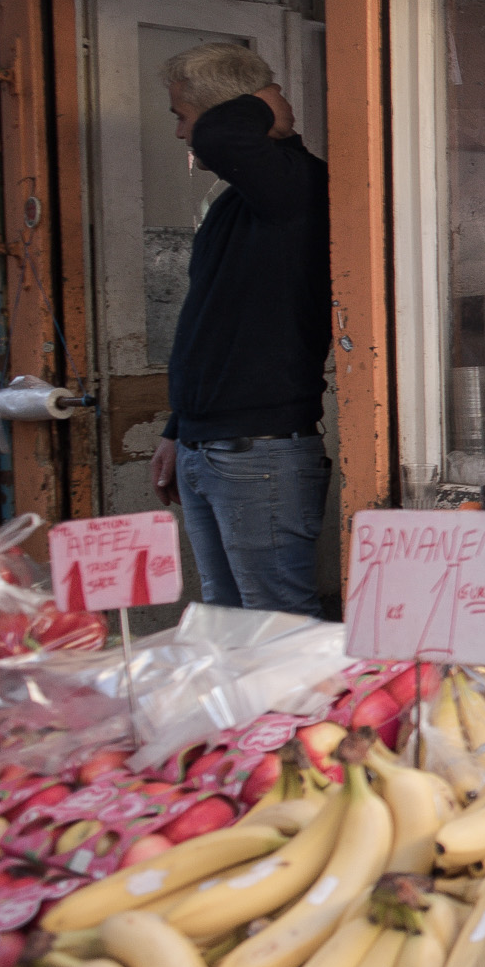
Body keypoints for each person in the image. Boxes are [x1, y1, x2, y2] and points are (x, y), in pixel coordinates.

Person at [151, 42, 332, 614]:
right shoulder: (238, 202)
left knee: (276, 627)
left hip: (259, 453)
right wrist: (179, 428)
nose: (182, 133)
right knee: (225, 622)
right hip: (210, 446)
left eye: (183, 115)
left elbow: (219, 136)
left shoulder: (296, 187)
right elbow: (212, 325)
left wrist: (262, 101)